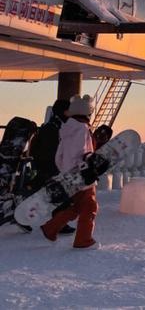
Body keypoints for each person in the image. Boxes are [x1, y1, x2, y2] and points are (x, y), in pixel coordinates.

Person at [40, 95, 99, 249]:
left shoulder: (66, 128)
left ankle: (50, 228)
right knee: (90, 208)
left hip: (69, 174)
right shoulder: (82, 128)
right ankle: (83, 240)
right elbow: (80, 152)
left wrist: (65, 171)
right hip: (82, 176)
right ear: (88, 112)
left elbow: (59, 156)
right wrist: (85, 168)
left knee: (77, 207)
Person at [28, 99, 69, 188]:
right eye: (68, 112)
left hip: (46, 171)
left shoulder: (51, 127)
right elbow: (50, 154)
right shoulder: (52, 130)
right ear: (62, 112)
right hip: (49, 173)